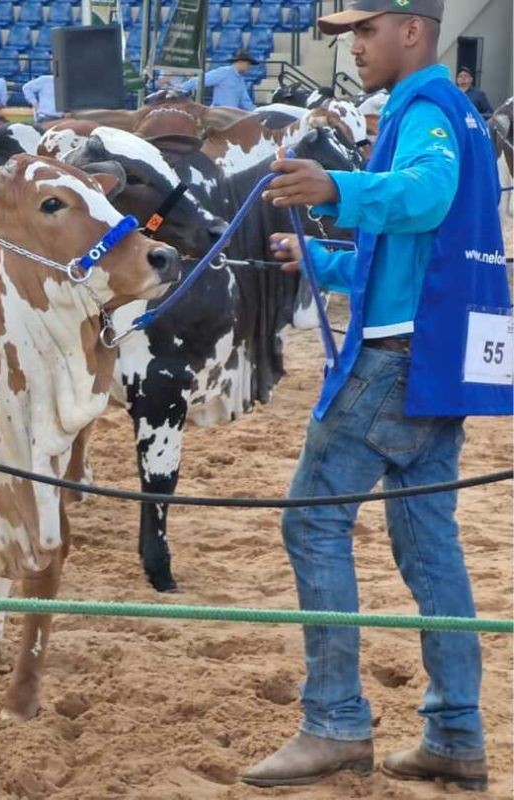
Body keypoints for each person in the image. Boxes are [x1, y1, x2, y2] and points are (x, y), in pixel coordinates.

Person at [242, 0, 509, 791]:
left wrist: (335, 185)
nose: (354, 47)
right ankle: (456, 735)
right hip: (436, 361)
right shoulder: (455, 110)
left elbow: (424, 197)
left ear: (412, 31)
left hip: (393, 363)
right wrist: (321, 259)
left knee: (313, 523)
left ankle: (334, 721)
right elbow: (413, 248)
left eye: (364, 30)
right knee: (431, 547)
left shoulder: (424, 105)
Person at [179, 49, 257, 110]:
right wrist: (180, 88)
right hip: (219, 112)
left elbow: (245, 101)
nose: (249, 67)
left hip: (231, 114)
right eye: (248, 64)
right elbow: (201, 80)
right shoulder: (224, 72)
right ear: (241, 62)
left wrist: (257, 111)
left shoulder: (240, 79)